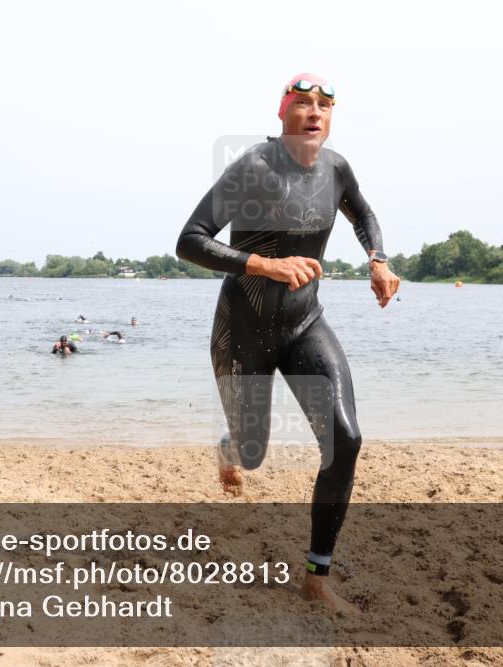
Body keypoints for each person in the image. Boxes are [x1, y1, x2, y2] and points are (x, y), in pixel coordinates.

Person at [176, 73, 400, 614]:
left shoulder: (336, 168)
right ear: (282, 113)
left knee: (346, 441)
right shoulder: (254, 166)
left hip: (305, 324)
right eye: (303, 103)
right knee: (252, 454)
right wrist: (265, 265)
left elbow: (363, 214)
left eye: (325, 104)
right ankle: (231, 448)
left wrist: (378, 258)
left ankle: (316, 578)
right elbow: (189, 241)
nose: (315, 112)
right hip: (243, 329)